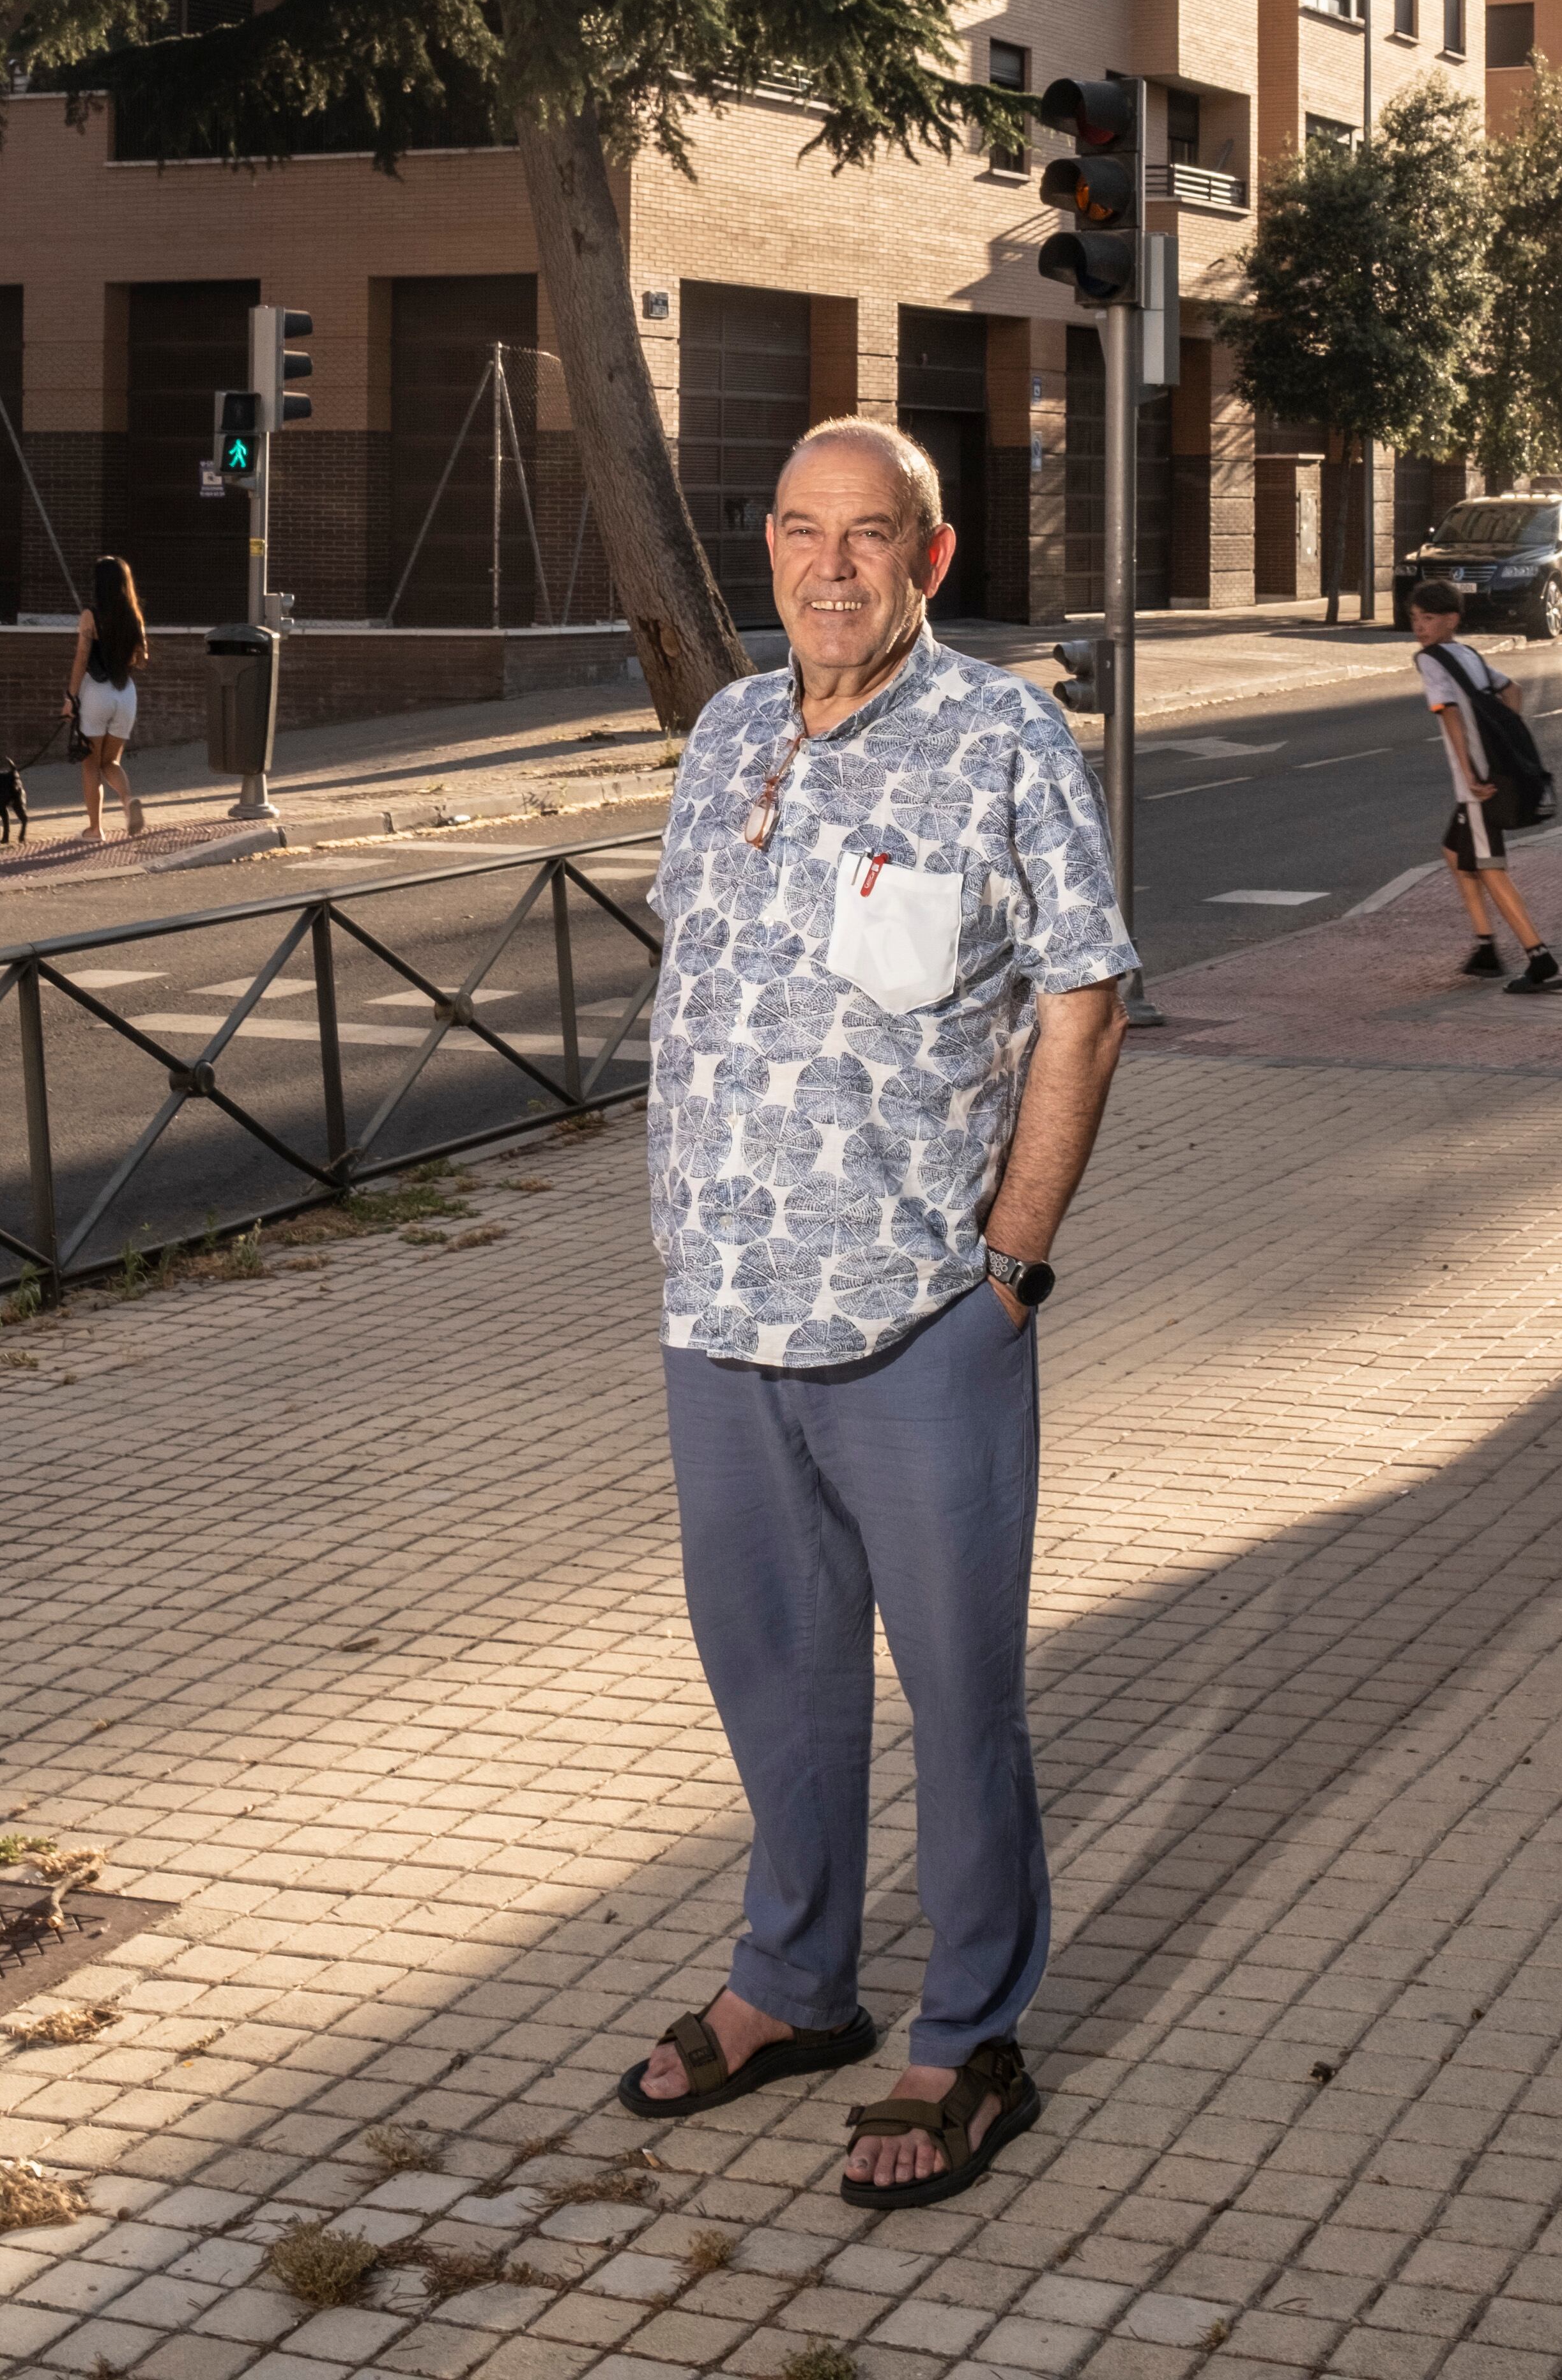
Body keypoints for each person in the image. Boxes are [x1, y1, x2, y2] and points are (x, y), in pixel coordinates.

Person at [622, 416, 1133, 2211]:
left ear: (931, 552)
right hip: (723, 1306)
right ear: (766, 547)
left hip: (924, 1315)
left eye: (872, 536)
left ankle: (969, 2030)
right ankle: (793, 1985)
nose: (832, 568)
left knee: (961, 1698)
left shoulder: (1001, 735)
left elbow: (1083, 996)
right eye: (801, 533)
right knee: (777, 1687)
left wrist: (1011, 1262)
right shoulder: (727, 733)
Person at [1407, 576, 1562, 990]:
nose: (1420, 627)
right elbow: (1513, 689)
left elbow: (1450, 715)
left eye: (1429, 618)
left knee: (1492, 870)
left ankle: (1540, 959)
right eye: (1415, 618)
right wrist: (1507, 745)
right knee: (1454, 853)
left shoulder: (1430, 660)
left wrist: (1472, 774)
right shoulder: (1468, 654)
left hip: (1477, 785)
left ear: (1451, 619)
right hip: (1491, 774)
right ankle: (1484, 946)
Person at [65, 554, 148, 843]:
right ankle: (127, 802)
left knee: (91, 764)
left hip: (96, 693)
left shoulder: (91, 615)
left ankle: (95, 829)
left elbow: (81, 659)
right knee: (111, 762)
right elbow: (142, 658)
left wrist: (70, 698)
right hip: (126, 693)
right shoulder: (134, 616)